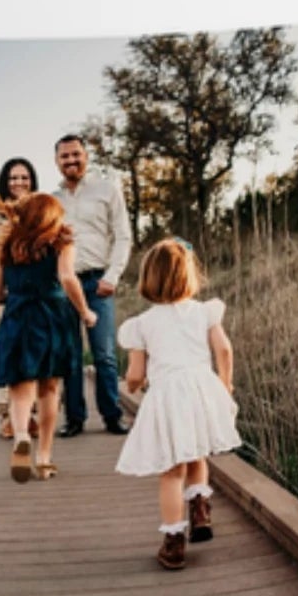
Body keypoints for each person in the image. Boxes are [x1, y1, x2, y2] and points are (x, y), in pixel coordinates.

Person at [116, 239, 239, 571]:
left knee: (171, 472)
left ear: (148, 279)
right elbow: (224, 351)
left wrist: (132, 384)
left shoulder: (141, 325)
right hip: (200, 389)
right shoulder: (204, 312)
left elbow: (136, 373)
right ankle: (200, 509)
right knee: (196, 452)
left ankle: (173, 543)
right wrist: (224, 385)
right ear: (189, 275)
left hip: (168, 396)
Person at [0, 192, 96, 483]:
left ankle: (21, 434)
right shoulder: (61, 243)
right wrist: (85, 311)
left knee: (21, 390)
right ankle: (44, 457)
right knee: (49, 391)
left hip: (18, 318)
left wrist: (17, 293)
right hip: (53, 318)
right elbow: (68, 278)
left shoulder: (7, 247)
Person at [52, 133, 132, 436]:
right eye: (65, 156)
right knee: (69, 354)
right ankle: (74, 419)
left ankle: (112, 416)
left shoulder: (106, 190)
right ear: (57, 161)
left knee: (104, 354)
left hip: (99, 282)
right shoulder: (52, 200)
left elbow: (122, 235)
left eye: (76, 154)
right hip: (63, 286)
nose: (71, 160)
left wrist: (112, 276)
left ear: (85, 156)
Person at [0, 157, 39, 435]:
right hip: (5, 289)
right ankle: (8, 417)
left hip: (36, 292)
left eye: (24, 177)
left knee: (34, 350)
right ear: (5, 181)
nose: (19, 183)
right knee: (7, 352)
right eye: (13, 178)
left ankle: (31, 415)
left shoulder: (40, 210)